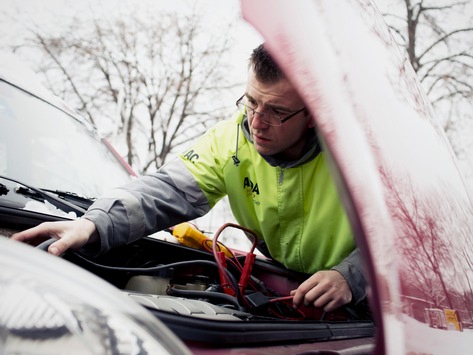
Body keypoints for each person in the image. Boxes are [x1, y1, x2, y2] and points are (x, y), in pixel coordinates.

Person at [12, 43, 367, 313]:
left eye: (276, 111)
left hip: (362, 304)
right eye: (252, 102)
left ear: (313, 115)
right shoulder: (229, 141)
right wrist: (92, 225)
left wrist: (350, 276)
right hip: (281, 288)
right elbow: (164, 191)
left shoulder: (359, 157)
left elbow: (407, 235)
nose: (256, 122)